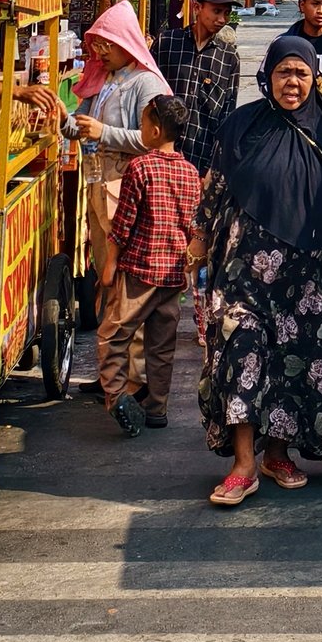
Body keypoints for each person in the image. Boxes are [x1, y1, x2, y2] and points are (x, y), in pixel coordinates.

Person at [191, 34, 322, 506]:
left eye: (302, 73)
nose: (293, 82)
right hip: (243, 269)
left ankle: (277, 454)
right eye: (284, 72)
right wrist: (200, 239)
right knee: (241, 349)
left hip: (305, 275)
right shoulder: (243, 125)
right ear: (268, 75)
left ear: (315, 77)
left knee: (294, 360)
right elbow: (216, 185)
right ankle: (243, 465)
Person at [98, 95, 201, 435]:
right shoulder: (190, 172)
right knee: (161, 346)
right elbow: (193, 227)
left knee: (114, 336)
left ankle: (116, 398)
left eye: (142, 124)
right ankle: (157, 407)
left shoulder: (139, 168)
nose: (140, 129)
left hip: (139, 271)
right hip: (172, 276)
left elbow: (123, 224)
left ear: (155, 131)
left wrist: (111, 264)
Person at [75, 0, 173, 292]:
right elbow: (81, 123)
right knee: (105, 260)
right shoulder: (104, 78)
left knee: (126, 266)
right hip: (98, 182)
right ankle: (112, 325)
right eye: (98, 45)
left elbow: (151, 141)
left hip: (127, 187)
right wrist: (58, 117)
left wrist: (103, 132)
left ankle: (127, 330)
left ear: (125, 45)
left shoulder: (146, 83)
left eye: (108, 45)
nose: (100, 52)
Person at [153, 0, 242, 174]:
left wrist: (215, 166)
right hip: (159, 157)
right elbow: (148, 98)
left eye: (227, 13)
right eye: (216, 11)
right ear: (197, 7)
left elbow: (227, 114)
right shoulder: (166, 43)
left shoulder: (228, 58)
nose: (222, 19)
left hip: (200, 162)